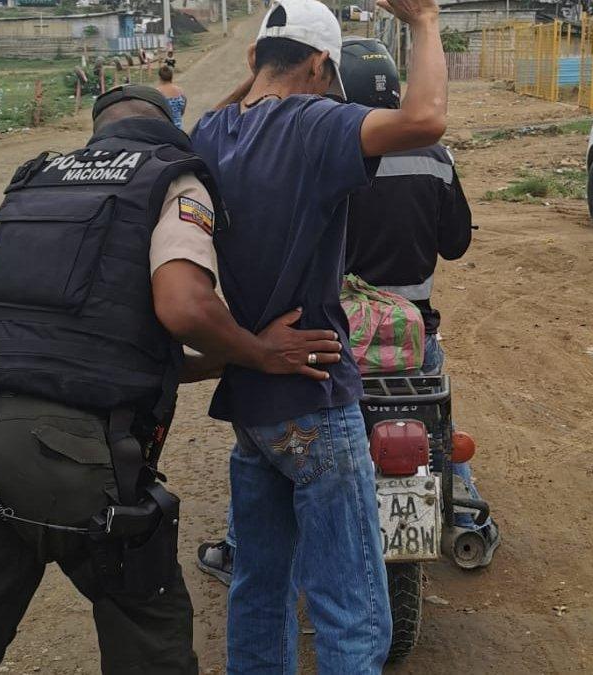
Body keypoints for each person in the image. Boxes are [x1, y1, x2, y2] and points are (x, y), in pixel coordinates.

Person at [0, 85, 344, 675]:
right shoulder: (170, 179)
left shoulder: (39, 178)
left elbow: (99, 351)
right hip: (79, 459)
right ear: (168, 124)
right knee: (148, 640)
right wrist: (258, 352)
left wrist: (224, 360)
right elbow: (184, 306)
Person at [188, 0, 448, 670]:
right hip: (315, 403)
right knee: (351, 610)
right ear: (318, 65)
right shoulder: (315, 123)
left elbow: (212, 113)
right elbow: (424, 119)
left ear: (254, 60)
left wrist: (258, 73)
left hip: (253, 403)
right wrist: (423, 21)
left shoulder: (215, 133)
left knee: (259, 588)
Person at [197, 36, 500, 590]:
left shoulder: (313, 147)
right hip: (411, 335)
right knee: (439, 418)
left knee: (271, 473)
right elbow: (456, 244)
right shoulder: (432, 158)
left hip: (335, 342)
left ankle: (240, 547)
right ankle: (465, 506)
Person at [156, 64, 188, 130]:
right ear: (171, 76)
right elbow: (182, 112)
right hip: (178, 130)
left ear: (160, 77)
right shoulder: (180, 91)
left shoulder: (157, 93)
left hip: (164, 129)